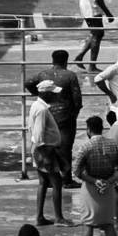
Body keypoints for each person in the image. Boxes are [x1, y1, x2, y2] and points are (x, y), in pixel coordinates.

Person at [27, 50, 83, 184]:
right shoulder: (70, 75)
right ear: (66, 61)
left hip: (48, 114)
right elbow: (77, 99)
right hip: (65, 116)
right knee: (65, 148)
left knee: (47, 146)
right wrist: (74, 113)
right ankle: (67, 179)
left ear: (52, 60)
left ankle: (48, 179)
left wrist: (39, 93)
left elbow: (28, 82)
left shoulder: (43, 74)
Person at [74, 114, 118, 236]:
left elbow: (76, 171)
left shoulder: (85, 147)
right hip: (108, 188)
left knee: (88, 224)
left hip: (90, 189)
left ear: (88, 130)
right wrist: (109, 181)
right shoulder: (114, 145)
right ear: (102, 128)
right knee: (109, 224)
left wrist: (94, 181)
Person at [28, 81, 69, 226]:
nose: (56, 96)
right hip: (45, 150)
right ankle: (59, 218)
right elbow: (39, 135)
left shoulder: (36, 105)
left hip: (40, 149)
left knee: (43, 182)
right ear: (46, 93)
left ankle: (40, 217)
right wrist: (46, 157)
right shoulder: (42, 110)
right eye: (53, 93)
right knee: (56, 182)